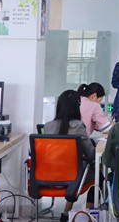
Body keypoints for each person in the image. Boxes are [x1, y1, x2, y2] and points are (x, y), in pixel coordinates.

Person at [44, 90, 95, 219]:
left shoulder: (48, 126)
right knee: (99, 174)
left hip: (48, 177)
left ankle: (67, 213)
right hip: (72, 178)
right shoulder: (78, 126)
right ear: (76, 107)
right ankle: (87, 215)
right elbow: (91, 154)